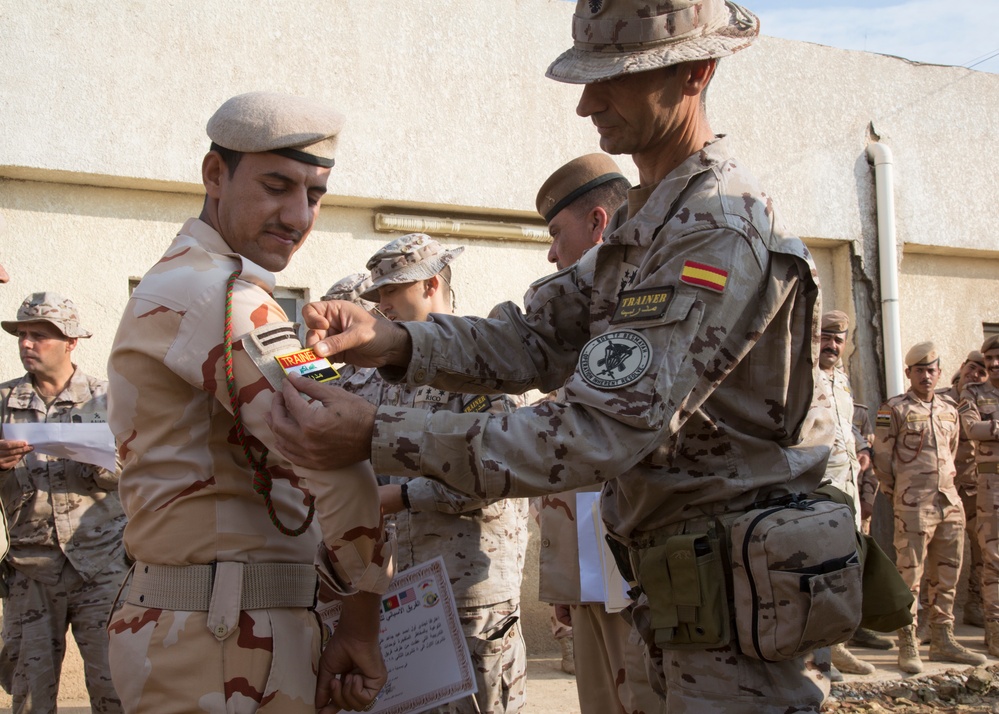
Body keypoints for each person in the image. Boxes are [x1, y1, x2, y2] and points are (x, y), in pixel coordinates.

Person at [270, 1, 845, 710]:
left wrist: (376, 432)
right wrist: (391, 341)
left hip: (738, 607)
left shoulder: (715, 228)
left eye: (613, 78)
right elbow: (531, 337)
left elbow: (595, 430)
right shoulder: (650, 221)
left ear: (695, 72)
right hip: (677, 590)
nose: (585, 103)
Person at [105, 92, 392, 714]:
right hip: (225, 638)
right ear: (215, 175)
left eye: (313, 195)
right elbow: (338, 455)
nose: (297, 214)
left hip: (222, 626)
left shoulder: (200, 286)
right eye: (276, 185)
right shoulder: (225, 296)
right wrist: (362, 624)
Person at [344, 236, 530, 714]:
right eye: (377, 296)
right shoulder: (392, 375)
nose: (382, 304)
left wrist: (397, 498)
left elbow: (494, 469)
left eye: (392, 291)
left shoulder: (480, 361)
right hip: (411, 592)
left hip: (470, 593)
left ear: (430, 284)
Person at [533, 155, 664, 712]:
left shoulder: (650, 308)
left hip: (641, 574)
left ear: (598, 224)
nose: (551, 252)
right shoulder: (570, 316)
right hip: (589, 573)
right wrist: (568, 581)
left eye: (557, 233)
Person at [0, 292, 126, 713]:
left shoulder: (106, 400)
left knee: (116, 691)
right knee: (30, 700)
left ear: (71, 342)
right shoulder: (3, 404)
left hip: (103, 567)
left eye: (39, 335)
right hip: (30, 572)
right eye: (22, 334)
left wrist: (99, 462)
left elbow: (143, 472)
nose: (26, 343)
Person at [874, 342, 986, 674]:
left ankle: (943, 639)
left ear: (939, 371)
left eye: (931, 369)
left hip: (949, 503)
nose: (926, 375)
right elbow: (882, 457)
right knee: (910, 576)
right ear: (909, 373)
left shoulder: (950, 409)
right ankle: (907, 642)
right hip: (913, 506)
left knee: (947, 576)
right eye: (919, 370)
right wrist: (898, 490)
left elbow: (952, 451)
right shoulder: (893, 409)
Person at [816, 311, 878, 675]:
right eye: (826, 337)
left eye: (838, 340)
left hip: (848, 486)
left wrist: (862, 449)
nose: (832, 345)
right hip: (821, 490)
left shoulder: (841, 380)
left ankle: (838, 646)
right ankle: (819, 654)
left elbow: (846, 425)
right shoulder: (802, 376)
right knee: (821, 570)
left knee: (847, 570)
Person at [937, 351, 988, 628]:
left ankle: (976, 605)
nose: (975, 374)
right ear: (962, 366)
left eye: (982, 372)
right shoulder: (941, 398)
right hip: (944, 489)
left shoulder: (985, 402)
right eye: (972, 368)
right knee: (941, 556)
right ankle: (933, 615)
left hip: (976, 491)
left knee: (983, 554)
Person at [959, 335, 999, 655]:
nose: (994, 364)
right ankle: (994, 630)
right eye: (989, 360)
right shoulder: (973, 393)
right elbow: (973, 429)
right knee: (993, 560)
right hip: (989, 484)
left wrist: (993, 427)